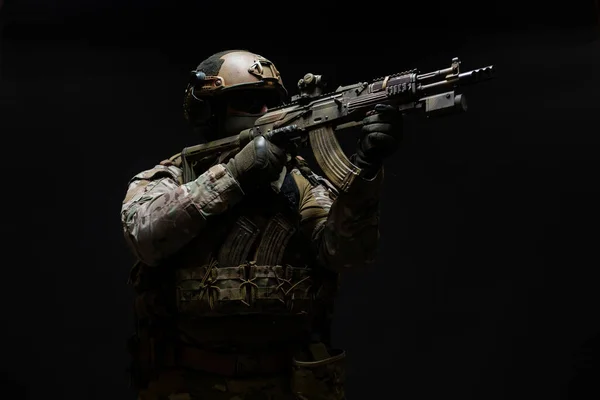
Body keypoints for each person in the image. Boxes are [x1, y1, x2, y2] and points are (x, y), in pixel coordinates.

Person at [120, 49, 403, 400]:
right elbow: (146, 235)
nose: (268, 113)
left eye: (271, 102)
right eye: (251, 103)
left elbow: (347, 255)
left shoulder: (300, 183)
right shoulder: (174, 177)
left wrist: (366, 170)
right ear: (210, 111)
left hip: (284, 385)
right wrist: (238, 173)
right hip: (188, 384)